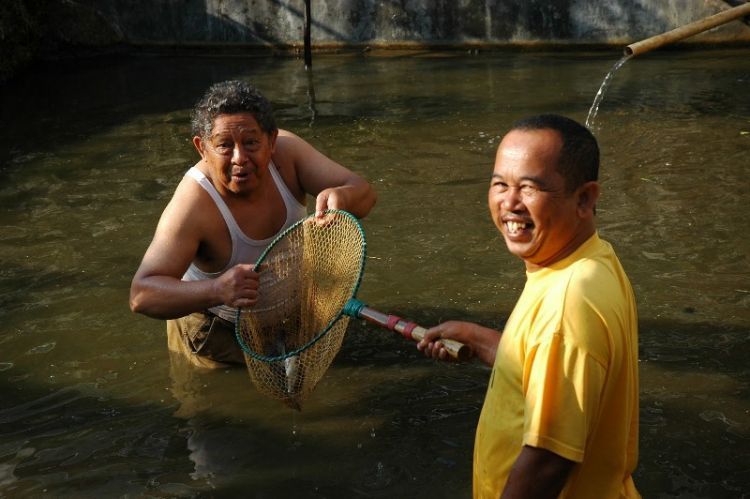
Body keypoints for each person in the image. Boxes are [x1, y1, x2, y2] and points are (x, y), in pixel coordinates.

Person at [418, 114, 639, 498]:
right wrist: (483, 341)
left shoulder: (568, 302)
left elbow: (550, 460)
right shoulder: (590, 261)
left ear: (585, 198)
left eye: (529, 188)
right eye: (500, 184)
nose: (510, 203)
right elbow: (548, 359)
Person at [130, 80, 377, 369]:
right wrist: (217, 290)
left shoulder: (289, 154)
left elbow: (366, 194)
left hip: (291, 314)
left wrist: (342, 196)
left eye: (251, 143)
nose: (239, 159)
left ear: (271, 141)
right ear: (202, 148)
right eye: (224, 145)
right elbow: (142, 294)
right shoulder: (193, 203)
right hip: (218, 330)